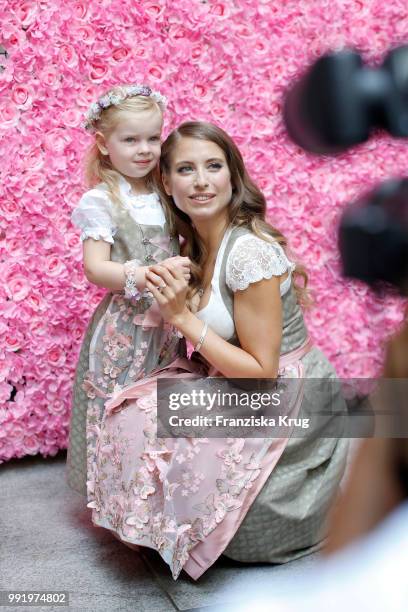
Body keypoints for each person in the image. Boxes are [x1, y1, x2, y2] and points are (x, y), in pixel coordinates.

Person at [86, 121, 349, 580]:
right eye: (186, 169)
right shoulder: (195, 243)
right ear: (167, 183)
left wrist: (182, 318)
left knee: (241, 533)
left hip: (282, 393)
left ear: (233, 176)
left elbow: (262, 372)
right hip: (236, 380)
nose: (202, 181)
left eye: (213, 166)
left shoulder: (249, 252)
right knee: (133, 411)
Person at [66, 85, 191, 498]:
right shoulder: (102, 200)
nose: (145, 149)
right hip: (125, 329)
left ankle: (154, 500)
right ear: (104, 144)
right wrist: (147, 274)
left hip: (167, 324)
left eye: (153, 138)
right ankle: (118, 498)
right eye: (131, 139)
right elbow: (96, 267)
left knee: (162, 404)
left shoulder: (164, 193)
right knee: (120, 409)